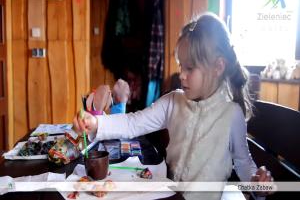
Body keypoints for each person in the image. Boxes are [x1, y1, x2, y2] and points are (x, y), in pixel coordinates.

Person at [73, 13, 273, 200]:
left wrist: (257, 181)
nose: (182, 75)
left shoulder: (231, 115)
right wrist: (96, 122)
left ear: (217, 67)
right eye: (181, 66)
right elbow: (133, 123)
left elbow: (243, 162)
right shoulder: (173, 101)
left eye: (190, 68)